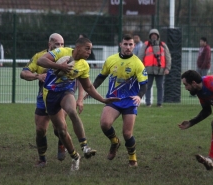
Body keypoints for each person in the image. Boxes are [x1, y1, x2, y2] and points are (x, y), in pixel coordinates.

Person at [37, 37, 120, 171]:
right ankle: (75, 157)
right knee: (61, 131)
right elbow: (40, 60)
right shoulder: (61, 52)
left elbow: (88, 87)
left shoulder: (84, 65)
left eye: (90, 49)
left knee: (72, 111)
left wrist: (103, 100)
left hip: (66, 92)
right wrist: (60, 66)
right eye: (87, 48)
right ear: (78, 47)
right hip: (50, 95)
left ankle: (85, 146)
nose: (89, 52)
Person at [20, 33, 85, 167]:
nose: (60, 47)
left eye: (62, 44)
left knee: (59, 129)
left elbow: (81, 78)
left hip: (63, 95)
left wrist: (80, 98)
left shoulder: (69, 56)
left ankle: (63, 143)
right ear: (50, 44)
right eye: (57, 44)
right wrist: (37, 76)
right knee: (40, 130)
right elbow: (23, 73)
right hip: (43, 97)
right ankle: (42, 159)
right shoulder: (40, 56)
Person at [91, 34, 148, 167]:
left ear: (134, 46)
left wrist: (139, 96)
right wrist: (91, 89)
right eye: (125, 44)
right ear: (120, 45)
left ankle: (132, 158)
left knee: (127, 133)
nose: (128, 47)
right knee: (105, 124)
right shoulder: (111, 60)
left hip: (129, 101)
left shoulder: (138, 63)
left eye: (130, 45)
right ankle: (115, 142)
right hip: (113, 99)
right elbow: (101, 77)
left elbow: (144, 84)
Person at [138, 28, 171, 107]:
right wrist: (141, 68)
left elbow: (168, 57)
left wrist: (167, 68)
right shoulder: (146, 45)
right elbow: (140, 56)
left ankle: (159, 103)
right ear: (150, 36)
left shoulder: (163, 45)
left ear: (158, 36)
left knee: (160, 87)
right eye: (152, 35)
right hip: (148, 70)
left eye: (155, 35)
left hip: (160, 70)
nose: (154, 36)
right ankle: (148, 103)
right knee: (147, 87)